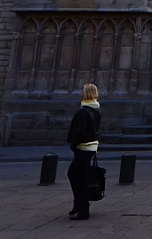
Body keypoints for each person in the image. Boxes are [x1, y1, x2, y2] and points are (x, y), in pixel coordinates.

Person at [67, 82, 102, 220]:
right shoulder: (97, 110)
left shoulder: (84, 112)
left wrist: (73, 144)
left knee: (78, 177)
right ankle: (78, 205)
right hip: (92, 147)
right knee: (77, 175)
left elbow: (78, 132)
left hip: (83, 148)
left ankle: (83, 209)